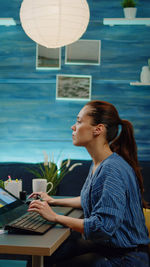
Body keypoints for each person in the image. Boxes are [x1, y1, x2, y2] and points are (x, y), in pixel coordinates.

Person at [28, 100, 150, 267]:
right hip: (109, 247)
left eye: (78, 121)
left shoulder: (111, 169)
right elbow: (89, 199)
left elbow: (103, 227)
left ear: (98, 129)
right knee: (48, 255)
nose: (73, 127)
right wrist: (53, 201)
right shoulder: (99, 163)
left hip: (126, 258)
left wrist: (55, 217)